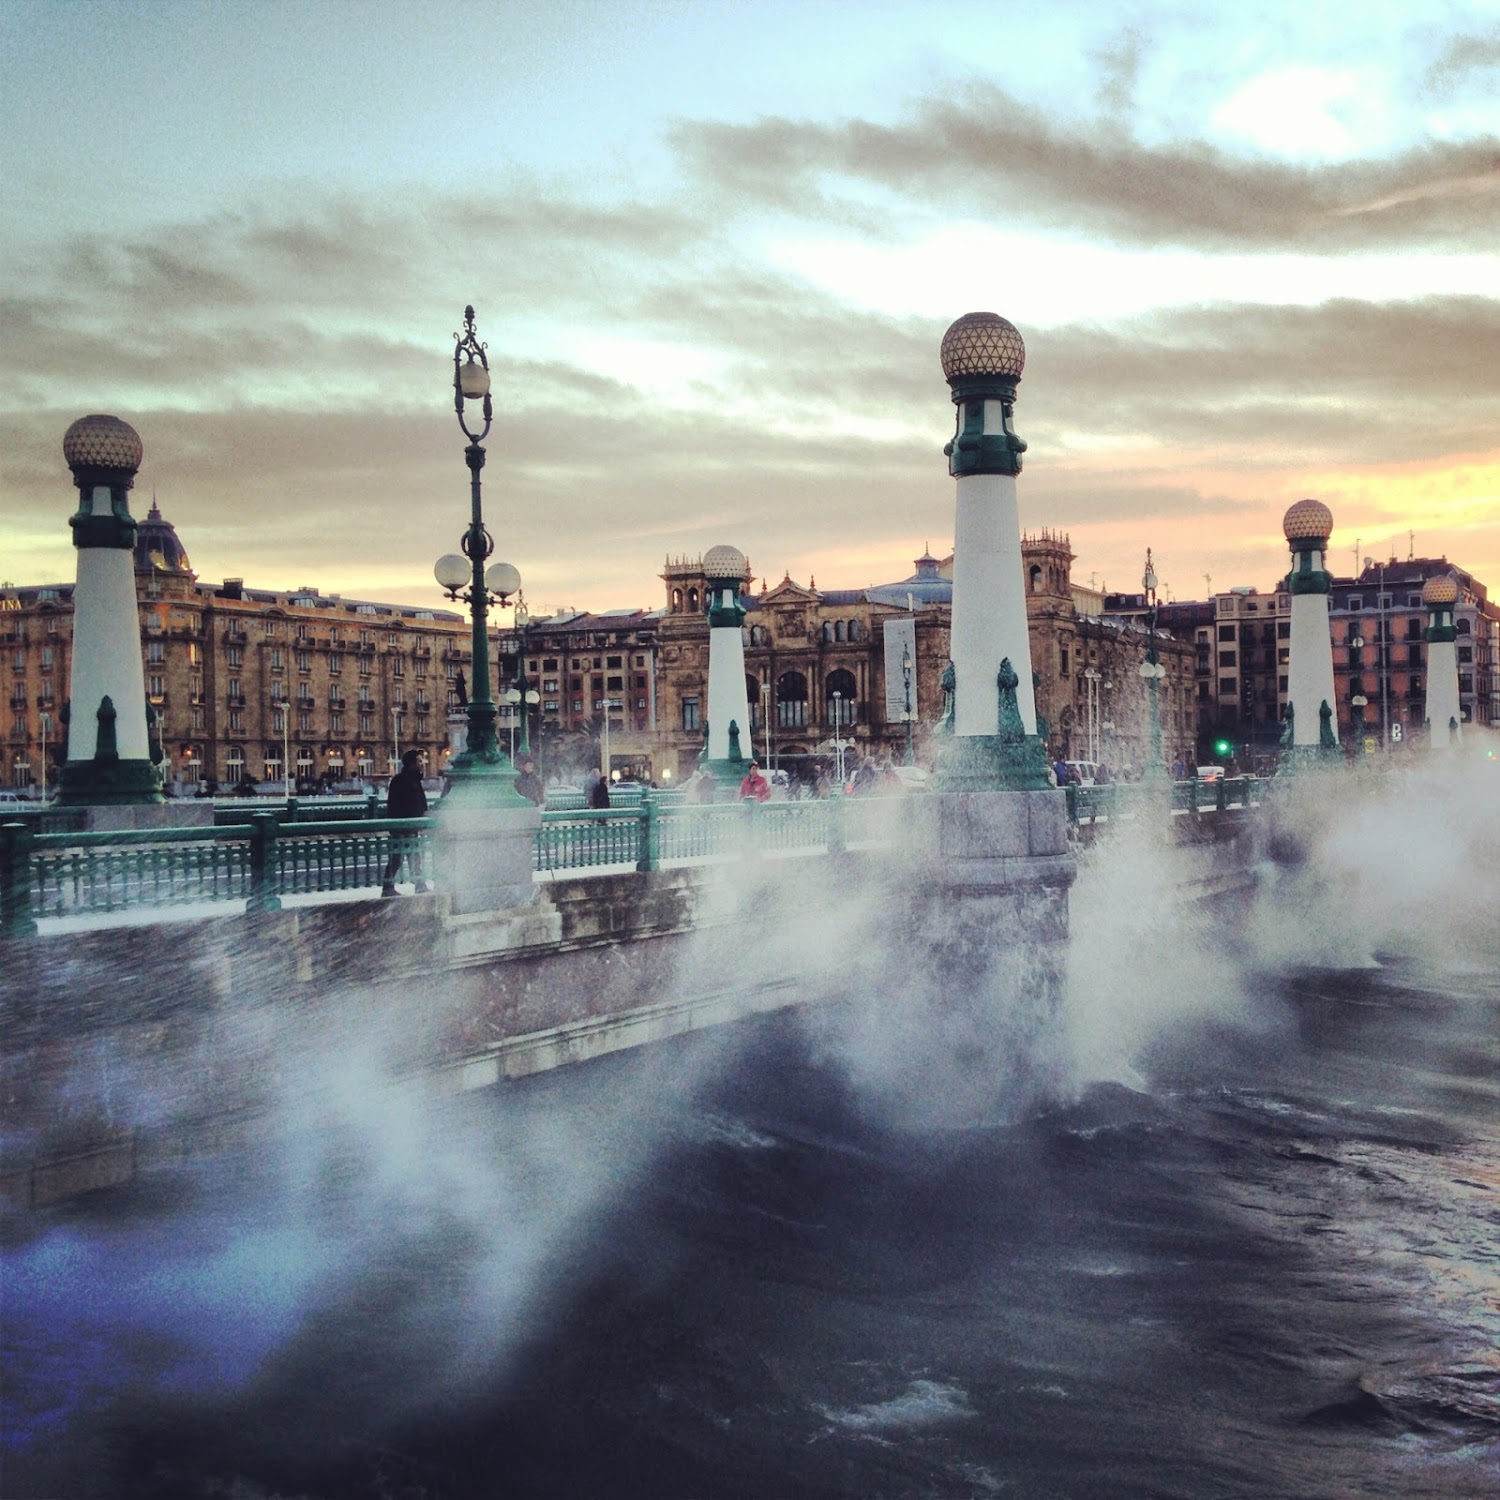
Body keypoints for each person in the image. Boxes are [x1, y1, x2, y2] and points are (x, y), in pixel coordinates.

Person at [381, 749, 429, 897]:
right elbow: (396, 805)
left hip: (412, 825)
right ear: (411, 764)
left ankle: (419, 884)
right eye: (419, 762)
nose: (422, 764)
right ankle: (388, 887)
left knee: (414, 857)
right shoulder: (401, 780)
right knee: (398, 858)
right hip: (402, 826)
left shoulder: (414, 779)